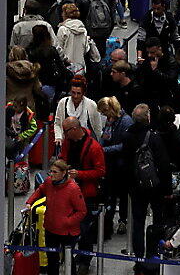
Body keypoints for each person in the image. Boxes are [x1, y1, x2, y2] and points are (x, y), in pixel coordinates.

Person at [123, 104, 172, 274]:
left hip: (136, 187)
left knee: (138, 223)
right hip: (155, 186)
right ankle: (153, 257)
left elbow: (126, 162)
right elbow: (164, 165)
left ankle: (139, 259)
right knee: (158, 222)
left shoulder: (127, 135)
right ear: (148, 117)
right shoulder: (154, 137)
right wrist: (167, 189)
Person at [57, 116, 106, 274]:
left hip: (86, 194)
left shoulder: (94, 147)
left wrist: (79, 174)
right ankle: (71, 256)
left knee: (84, 229)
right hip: (68, 191)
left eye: (66, 131)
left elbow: (100, 171)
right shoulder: (68, 142)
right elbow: (62, 158)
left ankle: (85, 260)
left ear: (75, 129)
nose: (64, 135)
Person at [23, 159, 87, 275]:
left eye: (55, 172)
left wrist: (67, 221)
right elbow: (40, 190)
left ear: (64, 173)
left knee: (68, 260)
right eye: (51, 172)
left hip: (67, 232)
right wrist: (30, 202)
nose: (51, 174)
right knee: (51, 260)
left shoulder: (73, 188)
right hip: (50, 228)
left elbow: (82, 211)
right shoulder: (48, 182)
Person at [98, 96, 134, 235]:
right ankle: (108, 219)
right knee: (109, 194)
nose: (103, 115)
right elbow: (104, 136)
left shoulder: (126, 122)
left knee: (122, 195)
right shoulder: (110, 120)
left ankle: (123, 221)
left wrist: (105, 150)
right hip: (110, 163)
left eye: (104, 112)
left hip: (122, 164)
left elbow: (125, 146)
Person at [54, 76, 103, 144]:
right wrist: (58, 137)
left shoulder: (92, 105)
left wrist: (97, 143)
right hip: (66, 143)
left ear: (83, 93)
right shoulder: (63, 102)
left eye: (78, 93)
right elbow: (58, 124)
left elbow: (97, 128)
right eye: (73, 93)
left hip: (86, 143)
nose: (75, 96)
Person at [56, 3, 100, 75]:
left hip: (66, 66)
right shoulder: (83, 29)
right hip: (80, 66)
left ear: (65, 14)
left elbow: (59, 49)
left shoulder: (63, 29)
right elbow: (86, 49)